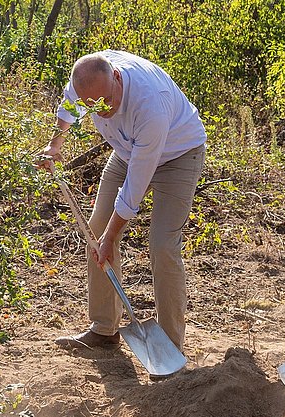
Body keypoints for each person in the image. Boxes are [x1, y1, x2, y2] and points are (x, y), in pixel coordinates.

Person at [40, 51, 207, 362]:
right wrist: (55, 143)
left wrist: (110, 238)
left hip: (178, 154)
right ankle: (104, 330)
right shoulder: (87, 82)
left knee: (161, 244)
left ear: (116, 77)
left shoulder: (149, 104)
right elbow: (68, 105)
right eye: (92, 106)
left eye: (105, 102)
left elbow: (134, 190)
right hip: (128, 149)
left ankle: (170, 347)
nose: (101, 112)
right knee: (97, 230)